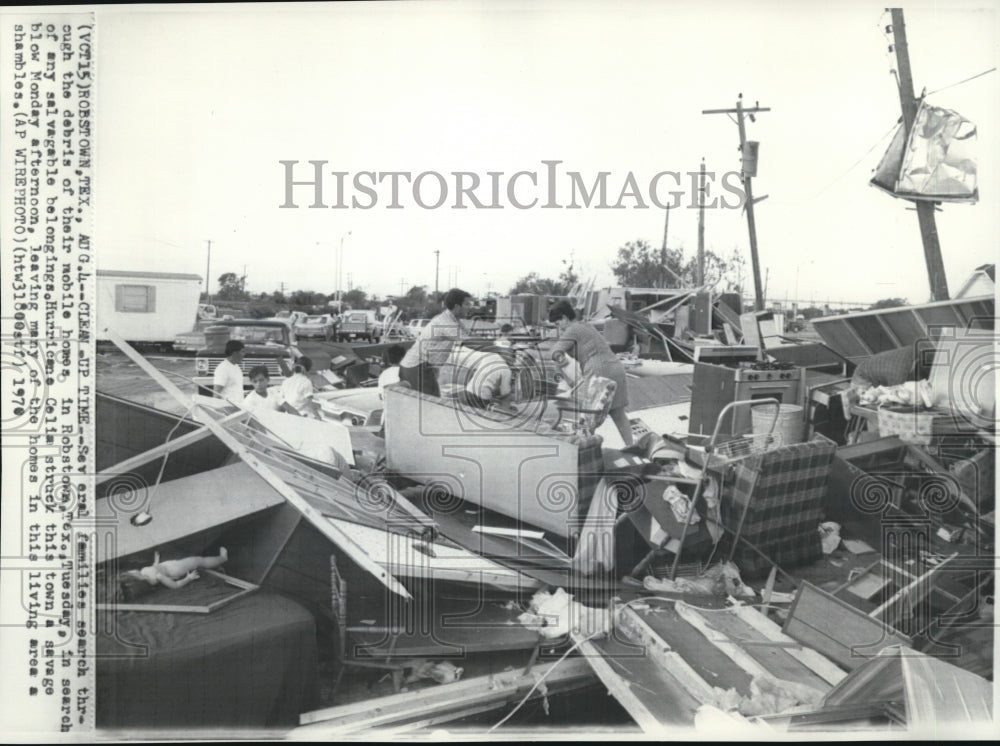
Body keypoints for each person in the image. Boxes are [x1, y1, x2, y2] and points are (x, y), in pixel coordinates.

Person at [548, 299, 633, 446]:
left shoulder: (572, 330)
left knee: (588, 418)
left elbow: (554, 352)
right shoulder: (586, 326)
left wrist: (561, 363)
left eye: (557, 323)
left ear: (564, 318)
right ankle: (631, 446)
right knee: (618, 414)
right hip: (616, 368)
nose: (558, 328)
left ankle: (583, 451)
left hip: (598, 370)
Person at [398, 288, 473, 397]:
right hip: (417, 367)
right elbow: (471, 343)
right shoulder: (446, 323)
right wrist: (497, 348)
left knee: (431, 403)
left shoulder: (455, 321)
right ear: (457, 306)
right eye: (467, 304)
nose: (469, 308)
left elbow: (471, 338)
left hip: (420, 367)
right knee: (430, 405)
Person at [118, 548, 228, 600]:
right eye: (132, 573)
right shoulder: (156, 577)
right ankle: (223, 558)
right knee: (198, 560)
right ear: (139, 579)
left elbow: (153, 567)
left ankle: (216, 563)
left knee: (197, 560)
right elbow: (175, 585)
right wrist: (188, 578)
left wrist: (156, 560)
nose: (132, 571)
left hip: (166, 565)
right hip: (175, 569)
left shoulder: (143, 573)